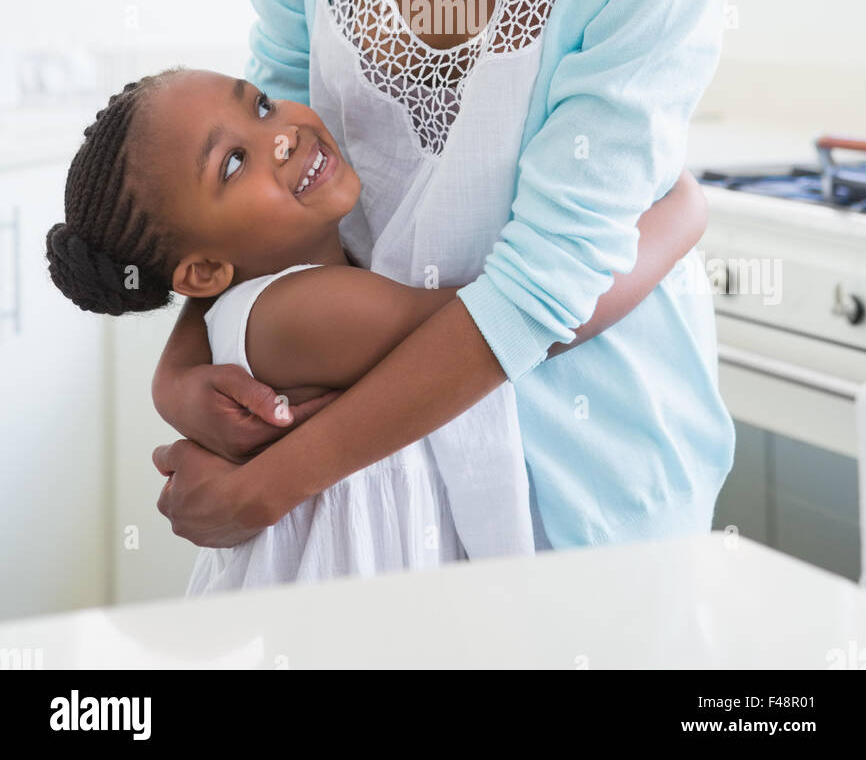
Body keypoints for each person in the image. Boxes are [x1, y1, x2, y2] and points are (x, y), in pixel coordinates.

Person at [151, 0, 735, 553]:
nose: (382, 11)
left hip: (582, 470)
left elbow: (545, 285)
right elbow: (264, 160)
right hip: (364, 471)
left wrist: (266, 489)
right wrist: (182, 368)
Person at [45, 68, 702, 586]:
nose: (281, 135)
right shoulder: (309, 311)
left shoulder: (261, 303)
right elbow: (523, 322)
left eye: (262, 105)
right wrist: (683, 215)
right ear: (208, 269)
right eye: (235, 163)